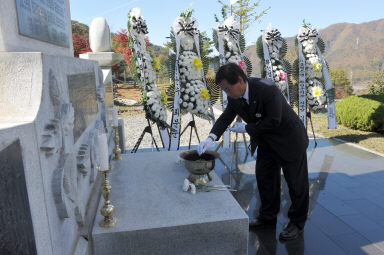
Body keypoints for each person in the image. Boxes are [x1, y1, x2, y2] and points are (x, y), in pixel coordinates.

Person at [198, 63, 309, 241]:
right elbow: (226, 117)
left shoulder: (267, 89)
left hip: (289, 140)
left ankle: (297, 223)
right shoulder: (235, 97)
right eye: (223, 90)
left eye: (227, 88)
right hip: (266, 142)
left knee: (296, 185)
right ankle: (267, 217)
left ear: (240, 80)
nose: (227, 93)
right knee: (265, 180)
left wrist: (247, 128)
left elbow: (274, 120)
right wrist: (210, 138)